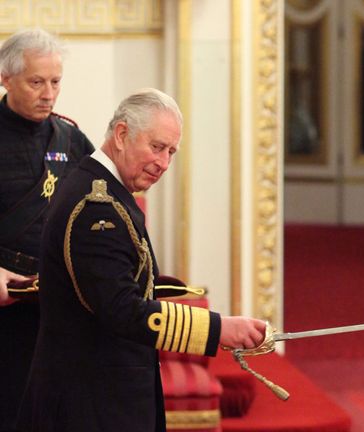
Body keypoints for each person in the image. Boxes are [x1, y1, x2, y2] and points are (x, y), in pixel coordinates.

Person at [17, 89, 267, 431]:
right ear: (121, 135)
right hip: (92, 403)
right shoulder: (96, 208)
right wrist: (218, 328)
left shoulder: (102, 189)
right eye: (156, 147)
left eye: (171, 152)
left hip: (98, 394)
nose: (163, 163)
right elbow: (120, 308)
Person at [0, 28, 95, 431]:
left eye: (55, 82)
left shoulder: (70, 137)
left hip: (57, 299)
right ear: (6, 78)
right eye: (36, 82)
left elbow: (99, 210)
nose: (49, 93)